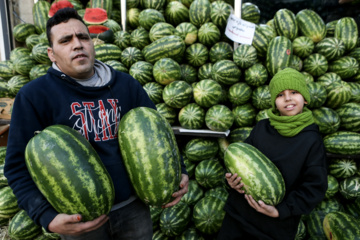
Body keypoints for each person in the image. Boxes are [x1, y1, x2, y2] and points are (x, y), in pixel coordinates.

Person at [4, 7, 188, 240]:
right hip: (80, 219)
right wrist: (46, 216)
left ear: (93, 43)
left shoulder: (125, 85)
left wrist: (180, 171)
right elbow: (16, 166)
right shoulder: (33, 96)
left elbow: (160, 135)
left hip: (133, 209)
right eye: (65, 40)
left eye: (83, 37)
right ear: (51, 53)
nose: (77, 44)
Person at [217, 68, 328, 240]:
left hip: (274, 227)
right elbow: (239, 160)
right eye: (280, 95)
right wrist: (231, 181)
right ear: (274, 102)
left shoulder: (312, 140)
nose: (288, 98)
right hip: (238, 217)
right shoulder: (262, 128)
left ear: (305, 98)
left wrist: (280, 211)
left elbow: (314, 188)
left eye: (293, 92)